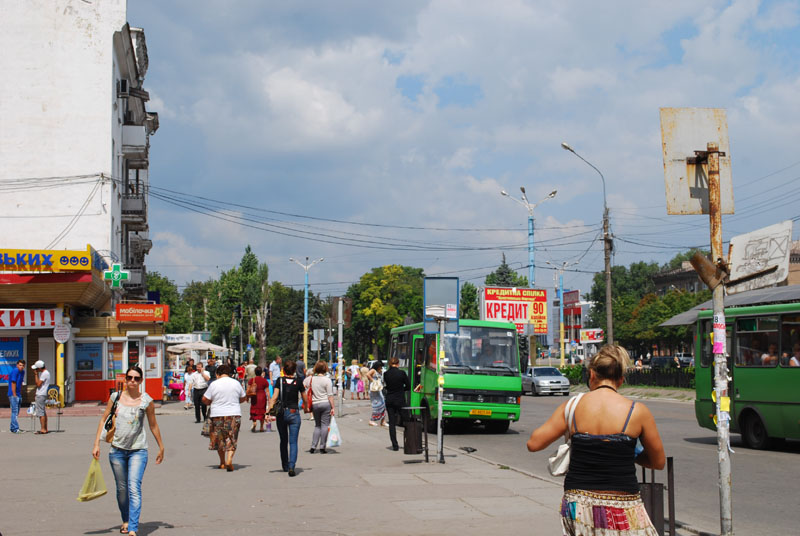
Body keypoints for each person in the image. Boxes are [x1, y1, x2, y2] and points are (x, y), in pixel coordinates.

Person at [526, 345, 665, 535]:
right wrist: (628, 453)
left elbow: (533, 444)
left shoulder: (573, 406)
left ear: (592, 375)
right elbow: (658, 462)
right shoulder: (637, 411)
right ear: (621, 380)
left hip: (578, 505)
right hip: (623, 506)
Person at [92, 365, 165, 536]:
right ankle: (125, 519)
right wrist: (96, 444)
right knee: (122, 489)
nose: (132, 381)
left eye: (136, 378)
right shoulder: (115, 397)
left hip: (138, 450)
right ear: (125, 379)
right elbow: (103, 420)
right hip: (117, 450)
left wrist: (161, 446)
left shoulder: (147, 401)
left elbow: (153, 425)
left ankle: (133, 527)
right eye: (130, 378)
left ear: (141, 381)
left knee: (134, 487)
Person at [202, 364, 247, 471]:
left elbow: (204, 399)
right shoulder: (236, 383)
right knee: (232, 438)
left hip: (217, 414)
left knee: (219, 440)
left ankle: (222, 462)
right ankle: (229, 459)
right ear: (229, 373)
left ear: (218, 374)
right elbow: (243, 398)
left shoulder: (214, 384)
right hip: (234, 414)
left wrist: (210, 402)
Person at [268, 359, 305, 476]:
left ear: (283, 370)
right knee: (293, 442)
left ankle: (284, 465)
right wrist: (308, 407)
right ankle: (291, 466)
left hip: (282, 414)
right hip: (294, 413)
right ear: (294, 370)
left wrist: (268, 410)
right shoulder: (299, 382)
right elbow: (304, 397)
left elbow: (274, 397)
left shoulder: (280, 380)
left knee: (283, 440)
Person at [307, 361, 335, 453]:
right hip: (325, 403)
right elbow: (330, 395)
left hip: (315, 404)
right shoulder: (327, 380)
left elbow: (304, 385)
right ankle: (322, 447)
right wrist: (333, 407)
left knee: (317, 426)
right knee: (325, 425)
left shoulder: (312, 379)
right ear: (325, 368)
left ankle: (313, 446)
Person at [384, 356, 410, 451]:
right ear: (398, 364)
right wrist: (401, 390)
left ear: (390, 364)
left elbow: (387, 386)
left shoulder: (386, 374)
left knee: (392, 423)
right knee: (406, 421)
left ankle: (395, 445)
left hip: (390, 399)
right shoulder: (401, 373)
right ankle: (409, 442)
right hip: (400, 399)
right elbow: (408, 386)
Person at [248, 366, 270, 432]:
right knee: (262, 411)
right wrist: (269, 399)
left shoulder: (252, 380)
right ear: (261, 373)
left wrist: (247, 397)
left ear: (255, 372)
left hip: (254, 396)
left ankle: (254, 422)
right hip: (262, 397)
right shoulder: (264, 381)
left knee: (254, 410)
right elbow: (267, 391)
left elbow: (248, 389)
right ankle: (261, 427)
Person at [31, 360, 50, 434]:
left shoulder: (44, 374)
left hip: (40, 394)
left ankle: (43, 429)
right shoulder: (47, 373)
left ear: (39, 368)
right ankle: (45, 428)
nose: (36, 370)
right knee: (43, 411)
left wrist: (36, 375)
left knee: (40, 412)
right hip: (43, 393)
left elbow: (38, 384)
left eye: (36, 368)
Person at [367, 361, 387, 427]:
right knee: (377, 405)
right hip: (374, 390)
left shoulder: (379, 371)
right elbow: (368, 374)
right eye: (380, 366)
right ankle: (372, 420)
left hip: (379, 389)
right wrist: (373, 381)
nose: (381, 367)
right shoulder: (373, 370)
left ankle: (383, 420)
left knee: (383, 404)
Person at [8, 359, 25, 434]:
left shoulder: (23, 372)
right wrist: (14, 395)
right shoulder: (15, 371)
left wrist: (20, 393)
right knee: (14, 411)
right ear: (17, 365)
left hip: (18, 394)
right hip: (13, 394)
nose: (21, 367)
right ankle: (15, 428)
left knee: (16, 412)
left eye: (23, 365)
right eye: (20, 365)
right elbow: (13, 383)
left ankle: (12, 427)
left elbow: (20, 382)